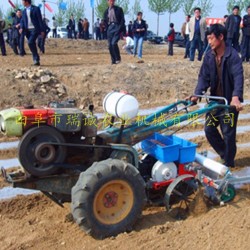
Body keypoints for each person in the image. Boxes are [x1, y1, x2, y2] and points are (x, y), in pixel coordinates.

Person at [190, 24, 244, 168]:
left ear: (221, 37)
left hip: (228, 102)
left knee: (228, 133)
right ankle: (225, 155)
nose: (209, 42)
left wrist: (236, 97)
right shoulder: (208, 57)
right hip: (215, 101)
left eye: (212, 38)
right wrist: (197, 94)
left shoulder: (233, 56)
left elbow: (238, 77)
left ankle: (229, 163)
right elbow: (203, 78)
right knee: (209, 129)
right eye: (208, 39)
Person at [20, 0, 45, 66]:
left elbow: (40, 20)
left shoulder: (36, 9)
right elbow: (22, 21)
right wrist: (21, 27)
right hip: (27, 30)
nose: (22, 3)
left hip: (34, 29)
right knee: (32, 44)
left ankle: (36, 58)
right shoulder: (24, 11)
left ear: (26, 1)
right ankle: (36, 59)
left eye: (22, 1)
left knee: (30, 42)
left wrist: (42, 30)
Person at [104, 0, 125, 64]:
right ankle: (113, 60)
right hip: (110, 28)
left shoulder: (119, 9)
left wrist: (121, 28)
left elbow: (122, 20)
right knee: (110, 45)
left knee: (113, 43)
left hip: (117, 27)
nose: (111, 2)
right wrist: (107, 28)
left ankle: (118, 58)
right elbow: (105, 21)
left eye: (113, 1)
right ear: (108, 2)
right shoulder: (106, 11)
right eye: (110, 1)